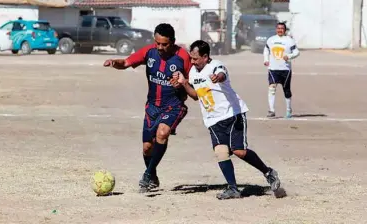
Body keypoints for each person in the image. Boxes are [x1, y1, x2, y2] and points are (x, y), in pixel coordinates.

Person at [171, 40, 281, 200]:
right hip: (212, 120)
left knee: (239, 151)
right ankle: (233, 188)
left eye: (195, 58)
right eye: (191, 58)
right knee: (221, 152)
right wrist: (184, 83)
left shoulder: (216, 65)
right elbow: (196, 96)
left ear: (205, 56)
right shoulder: (193, 72)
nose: (192, 61)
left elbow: (221, 74)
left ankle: (268, 172)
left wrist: (218, 77)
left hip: (232, 114)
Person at [103, 23, 191, 193]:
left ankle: (147, 174)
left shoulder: (183, 57)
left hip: (173, 105)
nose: (160, 47)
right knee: (147, 147)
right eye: (157, 43)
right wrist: (115, 62)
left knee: (162, 133)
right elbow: (127, 62)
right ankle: (153, 176)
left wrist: (182, 84)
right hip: (152, 106)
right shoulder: (149, 52)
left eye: (164, 44)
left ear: (172, 42)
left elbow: (192, 80)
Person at [263, 22, 300, 118]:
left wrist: (289, 56)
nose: (280, 30)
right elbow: (266, 50)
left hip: (285, 69)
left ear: (285, 30)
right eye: (278, 28)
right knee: (272, 88)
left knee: (286, 90)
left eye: (282, 28)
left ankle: (288, 109)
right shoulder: (271, 40)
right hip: (273, 69)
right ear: (276, 29)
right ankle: (271, 110)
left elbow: (296, 52)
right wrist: (266, 60)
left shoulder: (289, 40)